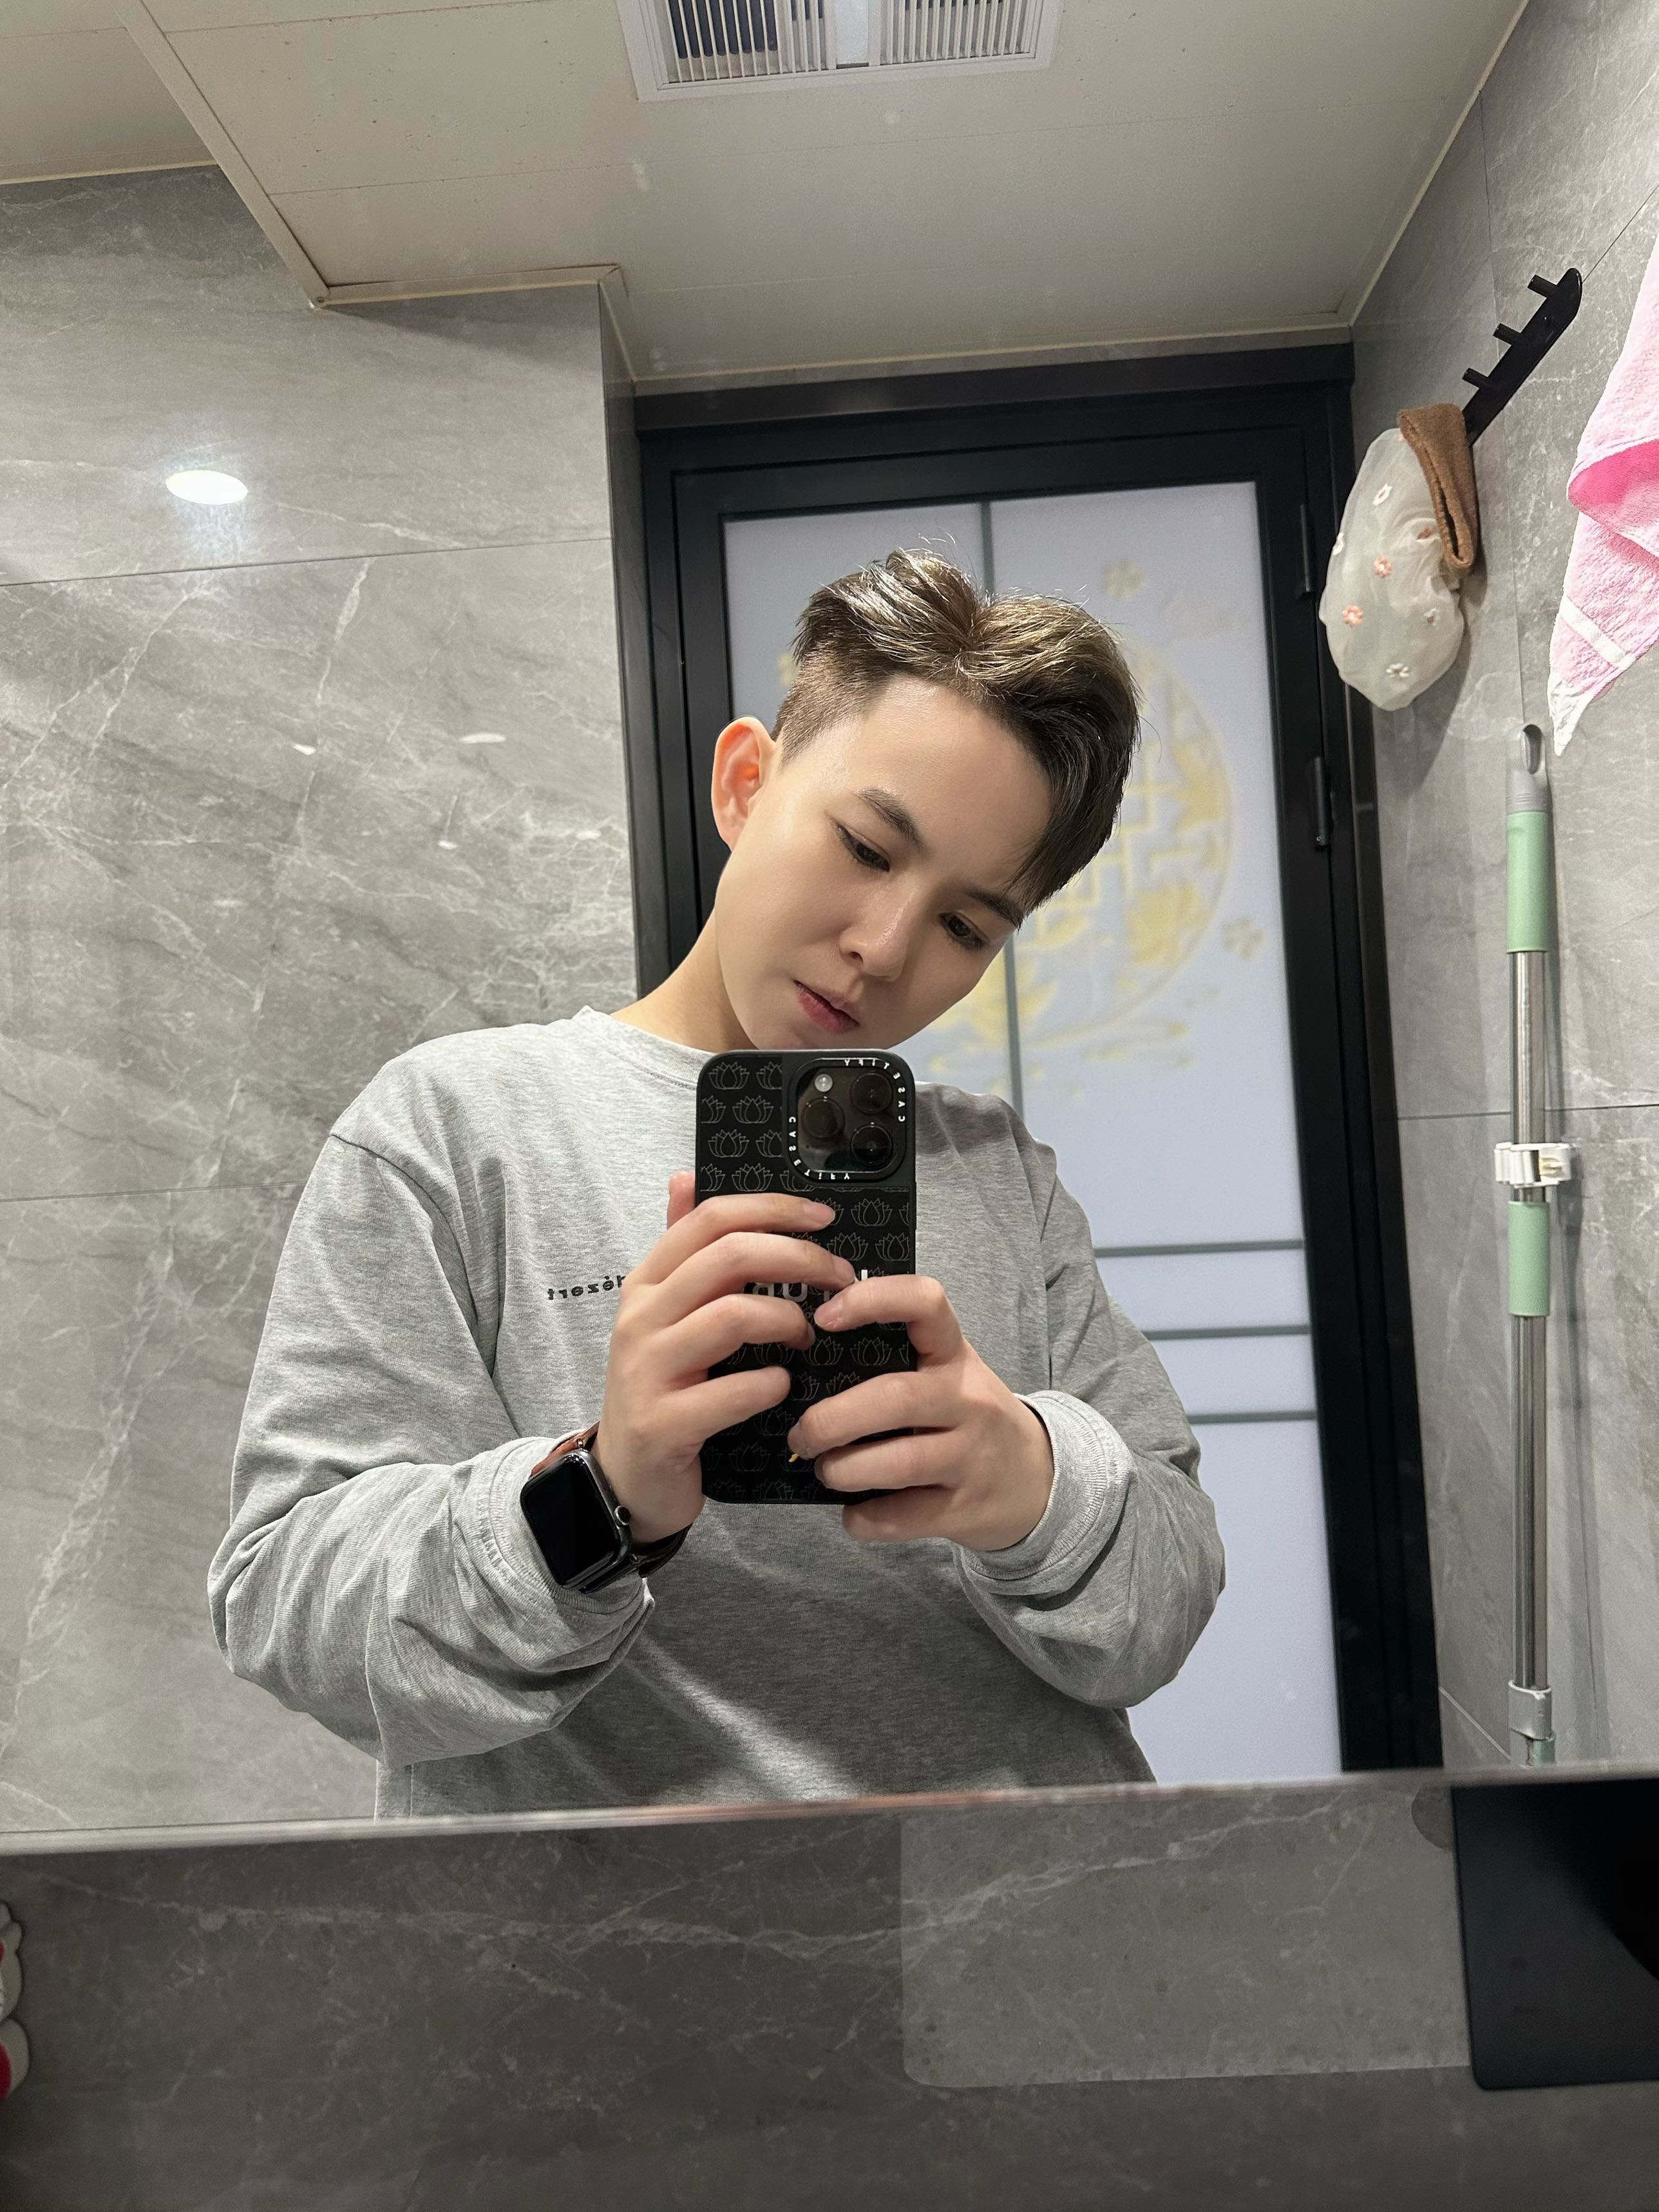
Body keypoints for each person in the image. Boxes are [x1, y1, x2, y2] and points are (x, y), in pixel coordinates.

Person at [210, 550, 1224, 1818]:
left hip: (1020, 1912)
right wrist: (597, 1496)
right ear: (746, 782)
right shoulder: (454, 1127)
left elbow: (1172, 1589)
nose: (884, 948)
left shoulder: (997, 1171)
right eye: (865, 845)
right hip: (609, 1928)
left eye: (967, 925)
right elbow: (282, 1596)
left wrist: (1033, 1484)